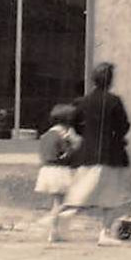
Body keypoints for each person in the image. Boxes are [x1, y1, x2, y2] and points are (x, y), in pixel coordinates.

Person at [63, 62, 131, 244]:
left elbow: (74, 123)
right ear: (110, 81)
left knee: (83, 189)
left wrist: (86, 135)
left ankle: (66, 215)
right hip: (111, 154)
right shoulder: (114, 101)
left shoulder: (84, 101)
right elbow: (124, 125)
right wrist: (116, 136)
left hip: (87, 153)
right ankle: (104, 233)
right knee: (110, 196)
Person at [35, 104, 81, 243]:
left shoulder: (45, 135)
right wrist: (73, 144)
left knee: (57, 202)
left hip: (46, 170)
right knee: (64, 202)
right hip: (59, 171)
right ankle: (51, 224)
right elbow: (68, 155)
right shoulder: (62, 136)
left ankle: (54, 231)